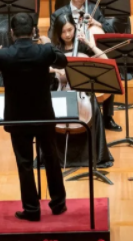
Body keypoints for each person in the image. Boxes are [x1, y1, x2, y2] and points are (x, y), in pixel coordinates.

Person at [0, 13, 67, 222]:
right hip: (44, 116)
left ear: (12, 33)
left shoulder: (4, 55)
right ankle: (58, 204)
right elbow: (63, 60)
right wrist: (49, 44)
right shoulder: (44, 51)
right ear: (34, 31)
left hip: (17, 118)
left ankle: (32, 209)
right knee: (52, 159)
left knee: (25, 163)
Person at [44, 14, 115, 169]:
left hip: (83, 94)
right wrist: (54, 70)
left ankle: (94, 156)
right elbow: (41, 67)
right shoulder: (55, 49)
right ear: (58, 33)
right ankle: (56, 158)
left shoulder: (83, 46)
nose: (67, 34)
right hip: (61, 91)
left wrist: (90, 44)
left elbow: (105, 60)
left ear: (75, 28)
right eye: (63, 31)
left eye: (70, 30)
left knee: (94, 108)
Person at [48, 0, 113, 40]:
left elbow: (110, 30)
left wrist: (95, 23)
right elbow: (52, 37)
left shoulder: (94, 9)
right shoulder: (57, 14)